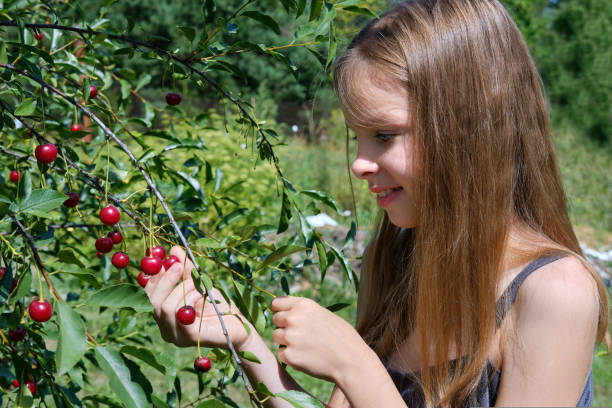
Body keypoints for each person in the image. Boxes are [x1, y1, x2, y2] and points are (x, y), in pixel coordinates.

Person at [145, 0, 611, 406]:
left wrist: (356, 366)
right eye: (358, 138)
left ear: (470, 128)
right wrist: (244, 341)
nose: (360, 164)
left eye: (384, 135)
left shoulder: (553, 294)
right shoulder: (395, 256)